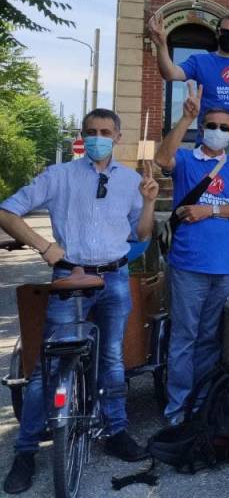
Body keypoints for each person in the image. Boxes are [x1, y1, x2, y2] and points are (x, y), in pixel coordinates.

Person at [0, 108, 158, 493]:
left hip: (115, 276)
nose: (97, 137)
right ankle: (26, 451)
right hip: (69, 277)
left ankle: (117, 431)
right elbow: (7, 211)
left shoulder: (131, 181)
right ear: (82, 136)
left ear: (118, 137)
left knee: (112, 359)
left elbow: (141, 231)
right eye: (91, 132)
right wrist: (45, 247)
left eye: (105, 131)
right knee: (47, 368)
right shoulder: (60, 176)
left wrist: (150, 201)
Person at [154, 83, 229, 425]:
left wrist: (210, 211)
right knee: (185, 337)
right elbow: (160, 159)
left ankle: (200, 403)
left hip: (223, 266)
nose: (218, 131)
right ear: (202, 129)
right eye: (212, 125)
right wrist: (185, 118)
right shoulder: (186, 159)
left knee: (208, 337)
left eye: (224, 128)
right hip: (188, 264)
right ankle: (176, 410)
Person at [148, 11, 229, 169]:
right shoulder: (200, 61)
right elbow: (170, 73)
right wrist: (161, 45)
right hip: (209, 140)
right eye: (225, 32)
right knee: (207, 191)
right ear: (217, 32)